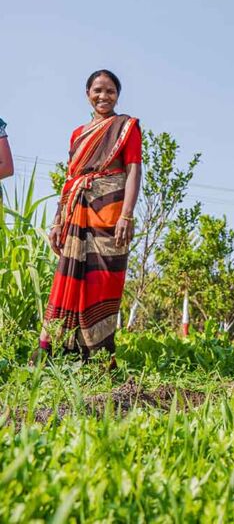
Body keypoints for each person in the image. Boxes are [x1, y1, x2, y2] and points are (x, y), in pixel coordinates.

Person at [31, 70, 142, 367]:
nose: (103, 96)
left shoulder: (126, 128)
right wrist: (58, 222)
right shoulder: (78, 134)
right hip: (76, 211)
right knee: (70, 276)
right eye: (97, 90)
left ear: (118, 95)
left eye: (110, 91)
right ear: (87, 93)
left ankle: (100, 355)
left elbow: (133, 171)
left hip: (110, 211)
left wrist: (126, 216)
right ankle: (61, 352)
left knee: (104, 279)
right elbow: (70, 179)